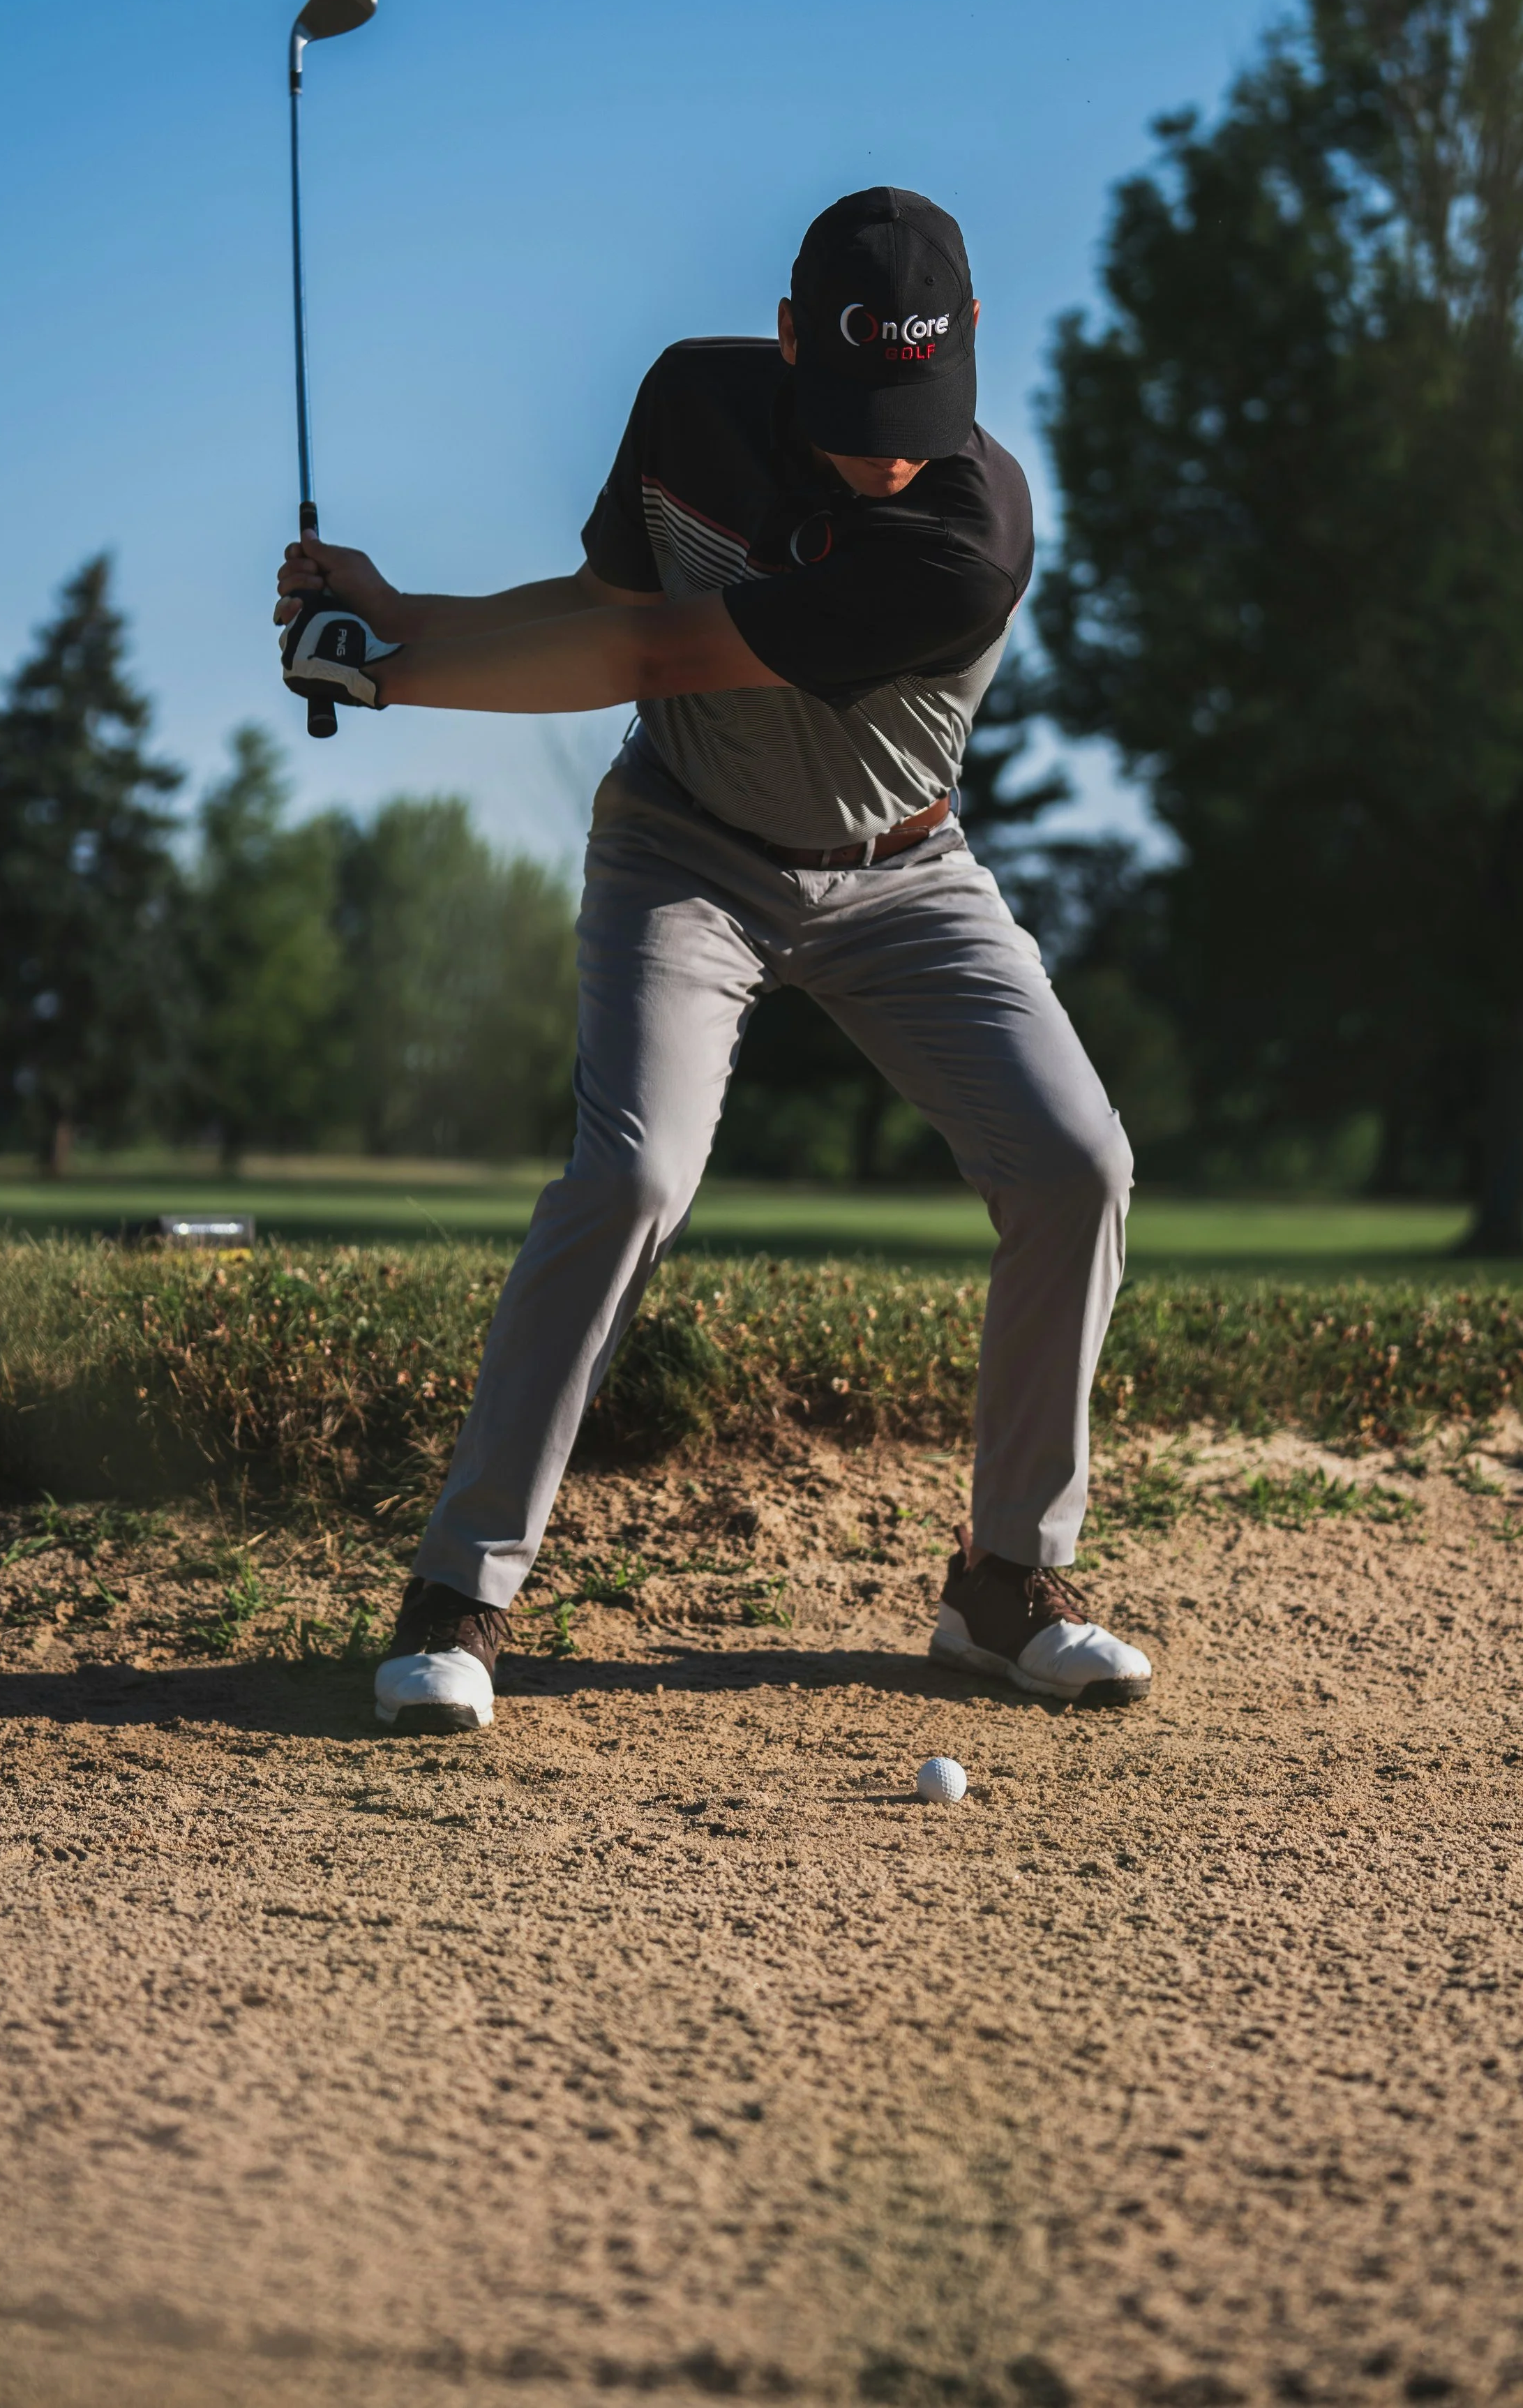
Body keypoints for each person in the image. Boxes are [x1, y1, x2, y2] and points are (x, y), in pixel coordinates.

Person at [274, 186, 1150, 1732]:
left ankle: (1002, 1585)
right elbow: (609, 607)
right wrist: (395, 615)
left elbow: (651, 655)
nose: (886, 447)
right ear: (789, 336)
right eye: (855, 403)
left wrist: (395, 677)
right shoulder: (690, 398)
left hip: (902, 876)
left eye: (917, 410)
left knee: (1077, 1160)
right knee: (629, 1179)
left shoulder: (966, 532)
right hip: (687, 851)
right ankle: (459, 1595)